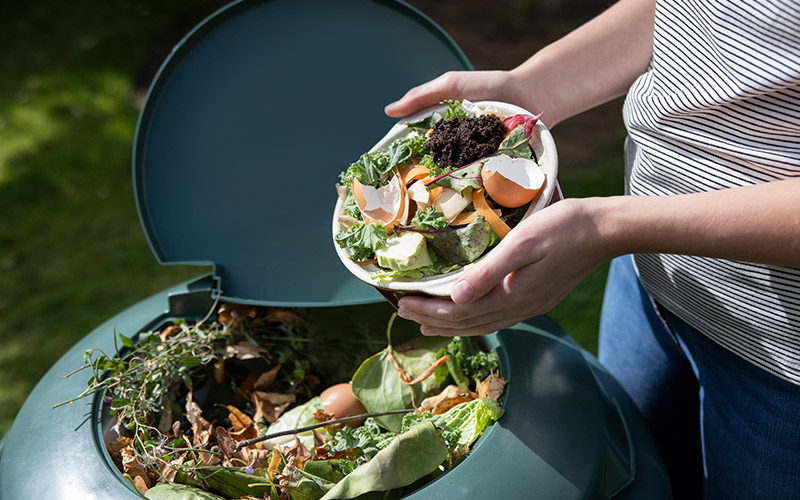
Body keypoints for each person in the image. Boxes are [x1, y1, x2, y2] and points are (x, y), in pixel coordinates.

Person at [384, 0, 800, 498]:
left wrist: (609, 228)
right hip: (651, 283)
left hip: (779, 359)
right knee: (632, 479)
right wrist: (527, 91)